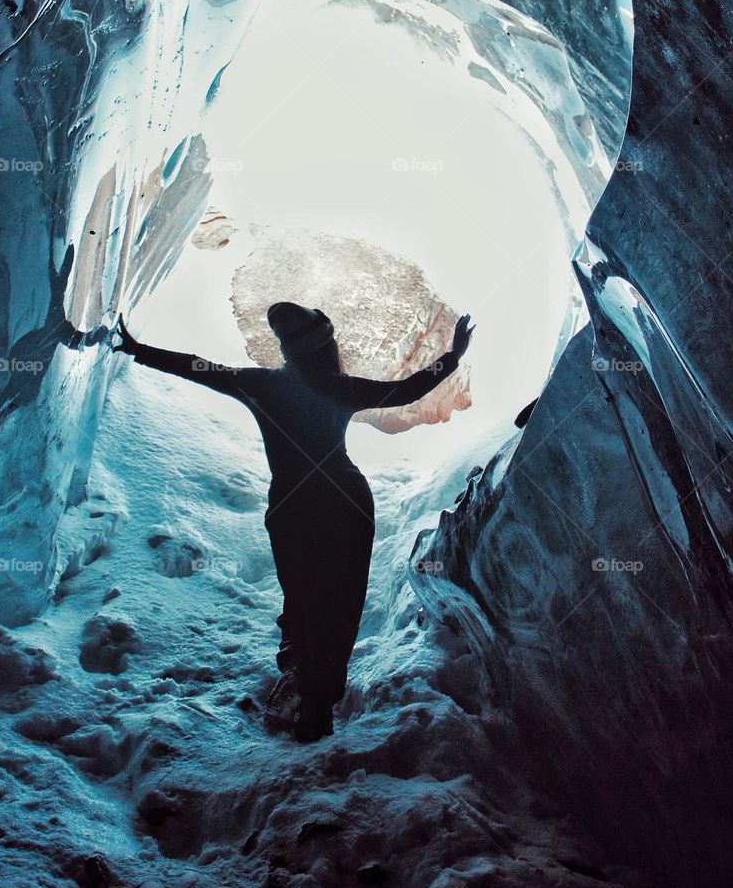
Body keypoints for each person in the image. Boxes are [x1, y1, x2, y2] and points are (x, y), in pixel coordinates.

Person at [113, 303, 474, 742]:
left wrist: (138, 349)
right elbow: (407, 389)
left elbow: (200, 368)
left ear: (287, 351)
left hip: (292, 506)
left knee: (302, 598)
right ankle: (316, 706)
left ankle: (301, 689)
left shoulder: (262, 385)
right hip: (346, 503)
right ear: (327, 345)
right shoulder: (341, 388)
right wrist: (452, 356)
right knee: (338, 605)